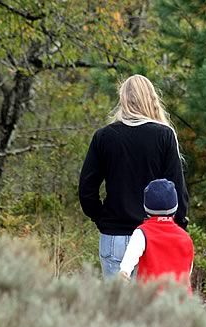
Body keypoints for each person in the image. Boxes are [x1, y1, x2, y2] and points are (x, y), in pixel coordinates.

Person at [79, 75, 188, 278]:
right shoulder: (164, 135)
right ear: (152, 99)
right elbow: (177, 190)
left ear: (123, 99)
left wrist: (102, 218)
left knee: (118, 308)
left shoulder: (103, 137)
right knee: (152, 307)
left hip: (114, 236)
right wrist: (178, 228)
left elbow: (87, 190)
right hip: (155, 237)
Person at [119, 179, 194, 291]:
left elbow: (127, 265)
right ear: (175, 207)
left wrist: (123, 273)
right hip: (180, 302)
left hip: (150, 300)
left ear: (146, 208)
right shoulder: (185, 237)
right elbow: (188, 271)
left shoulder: (142, 233)